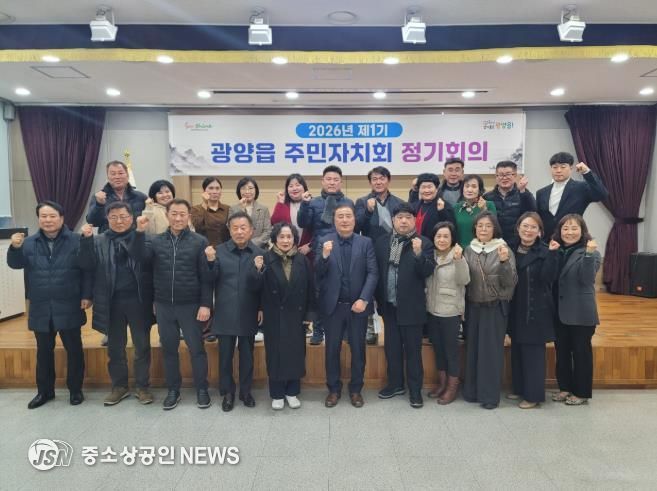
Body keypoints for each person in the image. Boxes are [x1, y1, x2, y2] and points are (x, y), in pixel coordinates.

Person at [7, 201, 92, 409]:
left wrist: (86, 295)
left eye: (52, 216)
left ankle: (75, 390)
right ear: (38, 219)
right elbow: (15, 264)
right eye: (43, 216)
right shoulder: (29, 243)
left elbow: (88, 268)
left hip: (69, 302)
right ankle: (44, 392)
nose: (48, 220)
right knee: (43, 351)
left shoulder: (76, 240)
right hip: (41, 305)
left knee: (74, 349)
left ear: (62, 218)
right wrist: (14, 248)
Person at [78, 202, 155, 406]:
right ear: (107, 219)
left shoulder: (145, 237)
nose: (119, 221)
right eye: (113, 217)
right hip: (110, 301)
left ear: (131, 218)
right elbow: (86, 266)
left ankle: (142, 386)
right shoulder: (98, 240)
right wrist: (85, 241)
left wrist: (139, 233)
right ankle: (119, 386)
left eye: (123, 216)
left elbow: (143, 257)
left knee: (142, 346)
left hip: (138, 300)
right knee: (115, 347)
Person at [140, 198, 213, 410]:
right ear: (167, 215)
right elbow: (143, 264)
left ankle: (202, 389)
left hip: (191, 305)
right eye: (174, 214)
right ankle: (173, 390)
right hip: (164, 305)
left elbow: (206, 277)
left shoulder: (199, 241)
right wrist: (139, 233)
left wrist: (205, 304)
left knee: (196, 349)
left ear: (189, 216)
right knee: (169, 349)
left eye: (182, 214)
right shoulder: (155, 241)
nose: (178, 218)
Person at [316, 204, 378, 408]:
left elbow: (373, 273)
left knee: (358, 350)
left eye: (348, 216)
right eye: (340, 216)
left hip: (358, 306)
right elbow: (317, 272)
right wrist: (324, 256)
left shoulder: (365, 242)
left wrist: (364, 299)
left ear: (354, 219)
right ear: (334, 220)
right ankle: (333, 389)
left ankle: (356, 389)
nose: (344, 220)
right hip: (333, 307)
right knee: (331, 350)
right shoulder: (324, 241)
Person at [373, 203, 434, 408]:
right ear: (393, 220)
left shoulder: (423, 242)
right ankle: (395, 384)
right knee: (392, 350)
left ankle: (415, 391)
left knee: (413, 352)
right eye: (400, 217)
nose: (404, 221)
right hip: (389, 306)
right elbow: (377, 273)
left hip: (412, 307)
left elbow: (427, 272)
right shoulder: (382, 242)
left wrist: (418, 254)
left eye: (408, 217)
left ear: (414, 220)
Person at [206, 211, 265, 412]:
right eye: (235, 228)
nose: (239, 232)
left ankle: (246, 392)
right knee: (225, 357)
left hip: (249, 311)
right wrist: (210, 262)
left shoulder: (259, 253)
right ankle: (228, 393)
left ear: (251, 230)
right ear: (229, 230)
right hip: (225, 311)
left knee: (247, 356)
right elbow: (210, 279)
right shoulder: (219, 251)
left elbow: (263, 287)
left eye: (243, 228)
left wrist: (261, 307)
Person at [463, 211, 517, 409]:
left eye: (488, 226)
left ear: (495, 228)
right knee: (473, 350)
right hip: (473, 306)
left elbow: (510, 282)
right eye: (480, 225)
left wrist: (504, 262)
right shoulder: (469, 249)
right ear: (474, 228)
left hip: (494, 307)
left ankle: (489, 396)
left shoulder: (503, 249)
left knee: (491, 353)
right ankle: (472, 392)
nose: (483, 229)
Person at [260, 222, 315, 410]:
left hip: (297, 316)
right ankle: (276, 394)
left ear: (294, 239)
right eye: (281, 237)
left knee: (295, 354)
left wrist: (309, 314)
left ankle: (292, 392)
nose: (285, 240)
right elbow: (257, 289)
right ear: (275, 239)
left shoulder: (303, 260)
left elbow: (311, 289)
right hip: (273, 315)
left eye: (289, 237)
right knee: (274, 354)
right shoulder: (265, 259)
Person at [507, 212, 559, 409]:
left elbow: (548, 278)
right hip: (516, 308)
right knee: (518, 351)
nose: (528, 230)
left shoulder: (546, 251)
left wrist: (553, 255)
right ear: (518, 228)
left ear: (539, 232)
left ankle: (534, 395)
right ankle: (520, 388)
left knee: (533, 355)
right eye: (525, 226)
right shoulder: (510, 248)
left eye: (533, 227)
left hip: (536, 309)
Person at [298, 165, 354, 345]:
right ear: (322, 181)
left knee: (344, 287)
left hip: (344, 249)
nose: (332, 182)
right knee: (319, 290)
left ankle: (344, 329)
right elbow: (303, 223)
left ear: (341, 182)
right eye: (328, 179)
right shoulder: (313, 202)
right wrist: (304, 204)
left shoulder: (348, 203)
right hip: (320, 251)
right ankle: (318, 330)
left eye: (336, 179)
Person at [551, 214, 601, 406]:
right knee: (562, 353)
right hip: (559, 312)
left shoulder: (591, 252)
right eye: (565, 228)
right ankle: (564, 388)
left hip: (581, 313)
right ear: (559, 231)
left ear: (582, 231)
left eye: (574, 228)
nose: (569, 232)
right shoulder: (557, 250)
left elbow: (587, 279)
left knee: (581, 354)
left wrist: (588, 254)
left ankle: (581, 392)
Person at [355, 166, 405, 345]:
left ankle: (391, 326)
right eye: (374, 179)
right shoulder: (362, 202)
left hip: (393, 251)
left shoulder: (398, 203)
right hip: (369, 252)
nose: (378, 182)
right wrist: (368, 211)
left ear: (388, 180)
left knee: (389, 289)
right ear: (370, 182)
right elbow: (355, 227)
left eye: (382, 178)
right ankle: (370, 327)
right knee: (368, 288)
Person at [425, 222, 469, 405]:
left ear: (452, 239)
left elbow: (464, 280)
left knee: (451, 352)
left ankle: (452, 387)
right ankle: (442, 384)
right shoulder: (430, 255)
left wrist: (458, 260)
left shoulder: (458, 255)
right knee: (439, 350)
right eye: (438, 236)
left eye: (446, 236)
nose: (441, 240)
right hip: (432, 310)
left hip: (450, 311)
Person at [536, 152, 609, 240]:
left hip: (572, 239)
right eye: (555, 167)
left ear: (571, 168)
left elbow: (601, 194)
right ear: (550, 169)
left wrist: (587, 172)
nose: (558, 170)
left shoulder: (581, 188)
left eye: (563, 167)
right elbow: (538, 217)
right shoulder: (541, 193)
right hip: (546, 241)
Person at [86, 160, 147, 233]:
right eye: (113, 174)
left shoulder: (140, 197)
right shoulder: (99, 197)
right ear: (108, 177)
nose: (117, 177)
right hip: (109, 239)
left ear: (127, 176)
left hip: (134, 238)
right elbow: (92, 222)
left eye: (120, 173)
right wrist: (99, 205)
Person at [483, 161, 537, 244]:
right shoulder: (487, 197)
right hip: (493, 241)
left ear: (515, 175)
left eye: (508, 174)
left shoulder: (523, 193)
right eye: (501, 175)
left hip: (517, 242)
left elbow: (532, 212)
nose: (504, 178)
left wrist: (522, 190)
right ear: (496, 176)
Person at [270, 173, 313, 255]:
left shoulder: (312, 203)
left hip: (308, 252)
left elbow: (319, 230)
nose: (294, 188)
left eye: (298, 185)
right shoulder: (284, 204)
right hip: (287, 252)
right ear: (287, 189)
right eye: (291, 186)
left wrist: (310, 245)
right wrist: (280, 203)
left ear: (304, 187)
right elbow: (274, 223)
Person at [229, 177, 272, 249]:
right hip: (238, 248)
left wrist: (251, 244)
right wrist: (241, 209)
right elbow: (230, 228)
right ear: (239, 191)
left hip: (260, 248)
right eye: (243, 188)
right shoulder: (233, 209)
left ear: (256, 190)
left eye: (250, 188)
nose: (247, 192)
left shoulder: (263, 209)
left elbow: (267, 231)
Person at [454, 174, 497, 248]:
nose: (469, 190)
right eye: (467, 186)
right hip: (460, 250)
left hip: (482, 249)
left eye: (474, 187)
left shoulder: (489, 205)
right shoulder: (457, 207)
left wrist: (484, 209)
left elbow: (493, 229)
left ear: (480, 190)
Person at [411, 173, 455, 240]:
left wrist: (442, 212)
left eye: (429, 187)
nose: (426, 190)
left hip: (433, 245)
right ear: (419, 189)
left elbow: (451, 230)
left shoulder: (445, 206)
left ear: (436, 189)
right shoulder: (415, 206)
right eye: (423, 187)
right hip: (415, 244)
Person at [191, 177, 230, 247]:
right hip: (204, 249)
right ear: (203, 191)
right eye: (211, 188)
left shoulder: (228, 209)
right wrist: (205, 204)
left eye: (217, 188)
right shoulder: (195, 209)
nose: (214, 191)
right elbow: (197, 227)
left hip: (224, 249)